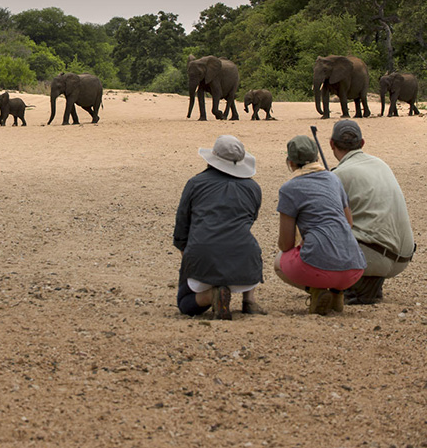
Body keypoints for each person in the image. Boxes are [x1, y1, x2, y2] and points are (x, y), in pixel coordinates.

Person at [174, 135, 264, 320]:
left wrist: (188, 257)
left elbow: (182, 225)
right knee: (248, 241)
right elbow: (250, 219)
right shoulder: (253, 187)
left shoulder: (195, 183)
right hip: (244, 261)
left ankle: (211, 295)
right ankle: (249, 299)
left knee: (185, 303)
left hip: (203, 253)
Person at [274, 135, 366, 315]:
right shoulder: (333, 179)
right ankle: (336, 294)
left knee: (279, 262)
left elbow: (286, 244)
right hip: (355, 268)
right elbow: (349, 223)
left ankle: (316, 292)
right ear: (317, 158)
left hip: (318, 268)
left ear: (290, 162)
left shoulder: (289, 189)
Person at [329, 119, 416, 304]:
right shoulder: (380, 163)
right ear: (362, 143)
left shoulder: (338, 175)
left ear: (331, 144)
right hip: (403, 258)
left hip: (376, 257)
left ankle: (355, 284)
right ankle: (367, 282)